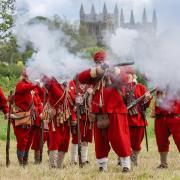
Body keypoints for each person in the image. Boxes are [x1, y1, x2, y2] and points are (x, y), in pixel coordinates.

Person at [77, 51, 132, 172]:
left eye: (101, 61)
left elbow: (125, 78)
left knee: (120, 139)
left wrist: (113, 70)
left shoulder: (115, 72)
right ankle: (102, 166)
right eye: (98, 62)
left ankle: (126, 165)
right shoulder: (96, 75)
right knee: (100, 142)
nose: (100, 63)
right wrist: (97, 70)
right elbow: (80, 77)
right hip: (99, 112)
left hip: (116, 111)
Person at [118, 67, 152, 166]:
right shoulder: (120, 88)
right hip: (124, 119)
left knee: (137, 143)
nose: (127, 75)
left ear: (133, 75)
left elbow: (145, 105)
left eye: (129, 73)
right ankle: (123, 158)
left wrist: (147, 98)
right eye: (125, 73)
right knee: (123, 141)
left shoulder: (141, 87)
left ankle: (134, 159)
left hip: (138, 119)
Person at [41, 76, 77, 168]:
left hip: (67, 116)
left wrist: (77, 101)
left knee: (65, 141)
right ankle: (52, 165)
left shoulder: (71, 82)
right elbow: (45, 81)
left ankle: (59, 165)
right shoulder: (52, 82)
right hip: (55, 117)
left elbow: (73, 99)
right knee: (55, 140)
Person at [12, 70, 41, 166]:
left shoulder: (32, 88)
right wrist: (36, 83)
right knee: (22, 140)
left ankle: (25, 160)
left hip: (30, 117)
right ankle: (21, 163)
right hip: (21, 117)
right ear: (26, 77)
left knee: (29, 140)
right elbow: (27, 87)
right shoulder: (20, 85)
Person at [151, 88, 180, 168]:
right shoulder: (160, 86)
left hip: (175, 116)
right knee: (161, 141)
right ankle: (163, 163)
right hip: (160, 117)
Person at [71, 83, 93, 165]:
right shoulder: (75, 86)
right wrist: (86, 93)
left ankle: (84, 160)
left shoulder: (90, 86)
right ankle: (74, 160)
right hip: (78, 117)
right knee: (76, 139)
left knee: (85, 139)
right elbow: (77, 102)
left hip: (88, 118)